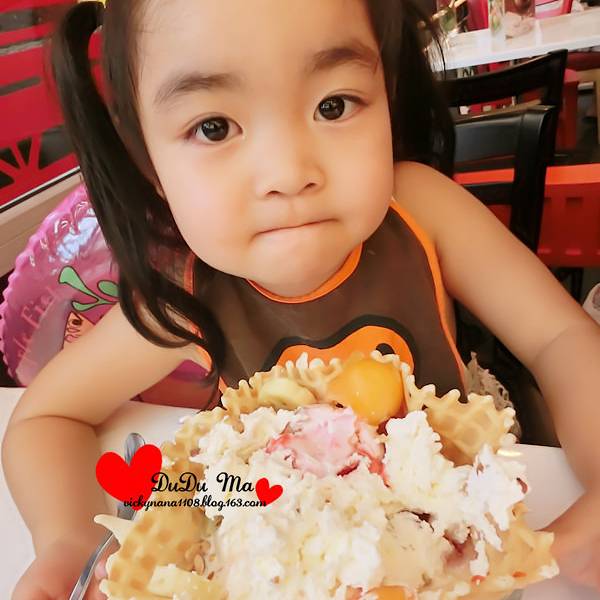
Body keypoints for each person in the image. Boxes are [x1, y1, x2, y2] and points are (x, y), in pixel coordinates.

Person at [3, 0, 600, 598]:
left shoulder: (423, 212)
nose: (289, 173)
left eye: (333, 105)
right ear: (149, 166)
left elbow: (561, 336)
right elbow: (46, 418)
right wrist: (67, 539)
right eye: (214, 127)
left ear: (386, 96)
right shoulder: (186, 300)